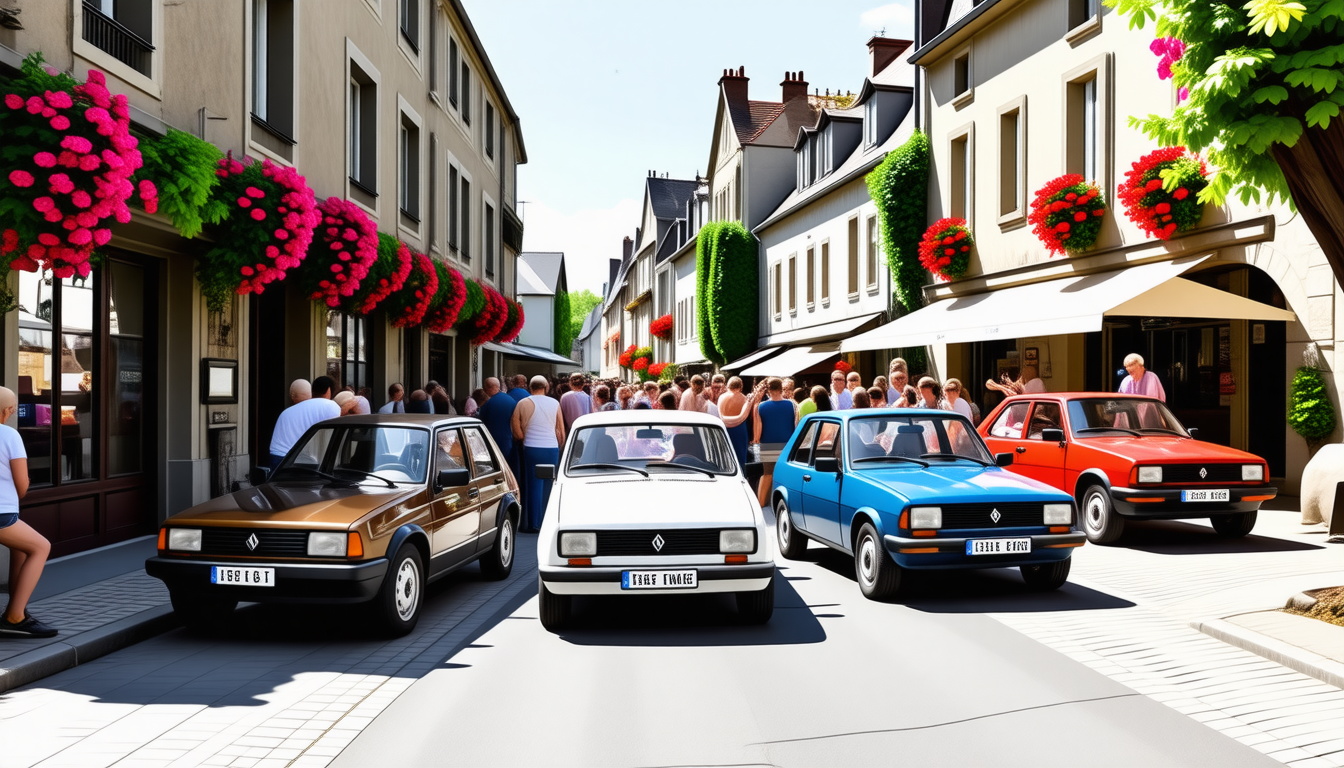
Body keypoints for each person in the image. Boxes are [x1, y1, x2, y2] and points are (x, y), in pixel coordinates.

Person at [0, 386, 56, 638]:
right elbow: (22, 485)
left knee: (20, 548)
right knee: (41, 547)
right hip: (3, 513)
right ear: (9, 410)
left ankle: (16, 608)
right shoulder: (9, 435)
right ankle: (14, 617)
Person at [511, 376, 564, 532]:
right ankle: (548, 520)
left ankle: (534, 523)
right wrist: (558, 445)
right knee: (549, 485)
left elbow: (516, 430)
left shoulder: (523, 403)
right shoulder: (555, 403)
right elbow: (560, 429)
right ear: (546, 387)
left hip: (532, 447)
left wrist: (523, 439)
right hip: (551, 448)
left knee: (533, 485)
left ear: (530, 387)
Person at [269, 376, 341, 468]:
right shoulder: (330, 405)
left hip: (277, 457)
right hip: (296, 459)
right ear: (328, 390)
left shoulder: (285, 412)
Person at [752, 378, 798, 507]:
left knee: (767, 474)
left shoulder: (761, 406)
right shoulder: (791, 405)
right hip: (787, 444)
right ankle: (787, 502)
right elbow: (795, 425)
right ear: (781, 389)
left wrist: (756, 440)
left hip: (767, 443)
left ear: (769, 390)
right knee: (786, 474)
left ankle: (760, 503)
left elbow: (758, 431)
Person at [477, 378, 519, 485]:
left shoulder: (488, 404)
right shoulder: (511, 401)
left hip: (493, 443)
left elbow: (482, 424)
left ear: (487, 388)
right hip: (509, 442)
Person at [717, 377, 759, 469]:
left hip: (725, 429)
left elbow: (721, 415)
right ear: (741, 386)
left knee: (726, 456)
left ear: (728, 385)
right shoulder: (745, 399)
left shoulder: (722, 397)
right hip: (740, 430)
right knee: (740, 458)